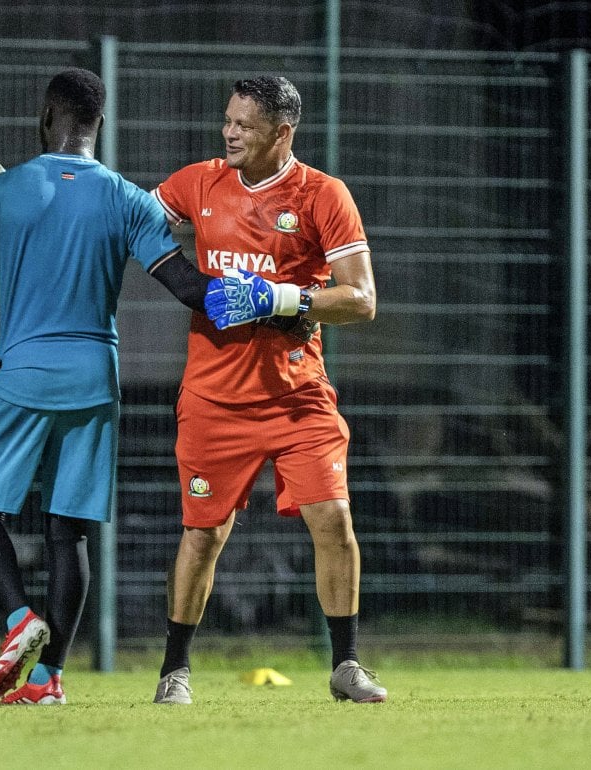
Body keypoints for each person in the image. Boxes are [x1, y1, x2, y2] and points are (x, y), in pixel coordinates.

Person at [0, 68, 219, 705]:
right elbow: (189, 289)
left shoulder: (0, 191)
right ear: (98, 126)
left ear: (46, 117)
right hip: (93, 382)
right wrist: (279, 299)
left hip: (20, 375)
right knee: (68, 531)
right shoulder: (128, 199)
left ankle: (19, 620)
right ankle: (51, 680)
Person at [149, 76, 387, 705]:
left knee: (334, 519)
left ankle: (346, 665)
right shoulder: (197, 182)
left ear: (283, 132)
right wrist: (15, 196)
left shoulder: (322, 195)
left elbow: (361, 300)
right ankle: (175, 670)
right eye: (227, 120)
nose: (229, 133)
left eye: (245, 125)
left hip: (296, 394)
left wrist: (283, 296)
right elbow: (122, 215)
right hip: (213, 397)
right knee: (204, 533)